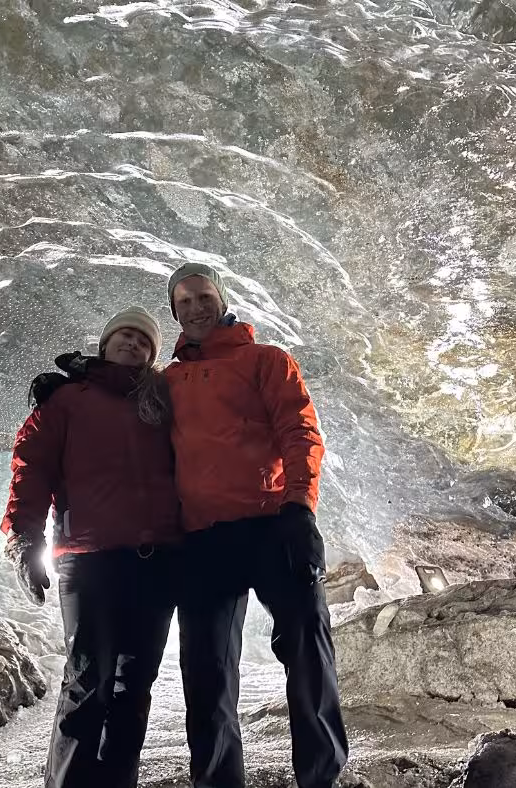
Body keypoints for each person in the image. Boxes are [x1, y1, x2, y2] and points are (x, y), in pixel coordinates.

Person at [165, 263, 349, 788]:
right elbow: (124, 419)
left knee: (307, 649)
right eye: (184, 302)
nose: (196, 307)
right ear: (175, 313)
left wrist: (299, 508)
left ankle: (320, 776)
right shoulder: (168, 380)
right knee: (206, 672)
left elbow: (300, 433)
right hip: (201, 538)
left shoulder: (267, 360)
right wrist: (73, 385)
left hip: (273, 525)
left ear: (221, 301)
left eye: (204, 297)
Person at [0, 306, 181, 788]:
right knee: (88, 683)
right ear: (104, 343)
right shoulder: (67, 401)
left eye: (144, 341)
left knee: (134, 688)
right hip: (89, 559)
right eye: (124, 334)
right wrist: (24, 538)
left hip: (157, 562)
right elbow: (32, 468)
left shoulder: (162, 401)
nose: (133, 343)